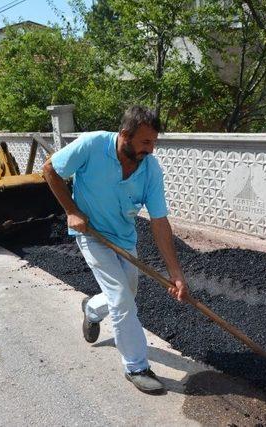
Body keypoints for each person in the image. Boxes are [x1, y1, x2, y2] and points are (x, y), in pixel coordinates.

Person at [43, 105, 189, 395]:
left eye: (154, 142)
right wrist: (72, 211)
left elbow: (159, 222)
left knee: (125, 295)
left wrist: (176, 273)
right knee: (122, 298)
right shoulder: (92, 145)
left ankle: (92, 309)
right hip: (92, 234)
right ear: (125, 135)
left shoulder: (150, 169)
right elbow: (50, 169)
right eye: (146, 142)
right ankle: (136, 366)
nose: (151, 149)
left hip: (124, 239)